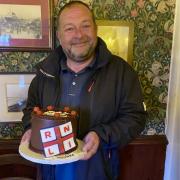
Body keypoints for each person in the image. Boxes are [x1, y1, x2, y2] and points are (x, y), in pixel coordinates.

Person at [20, 1, 146, 180]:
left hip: (99, 171)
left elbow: (136, 118)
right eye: (69, 28)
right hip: (51, 172)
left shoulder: (122, 72)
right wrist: (30, 127)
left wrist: (100, 136)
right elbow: (30, 109)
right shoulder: (44, 72)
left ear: (95, 29)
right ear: (59, 36)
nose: (79, 35)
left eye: (85, 26)